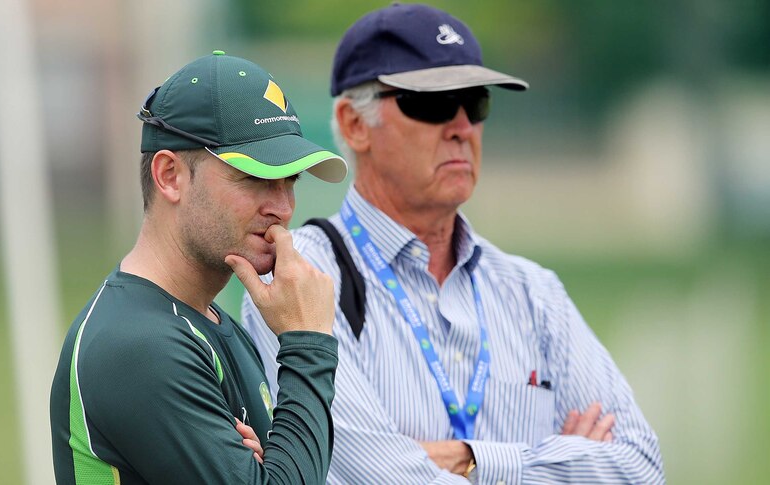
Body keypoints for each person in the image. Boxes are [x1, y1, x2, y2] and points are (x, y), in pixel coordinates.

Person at [241, 4, 664, 484]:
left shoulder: (533, 292)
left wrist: (464, 458)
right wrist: (558, 458)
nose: (462, 126)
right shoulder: (299, 278)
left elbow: (640, 468)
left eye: (476, 101)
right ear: (355, 125)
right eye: (434, 102)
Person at [50, 51, 349, 484]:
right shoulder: (136, 345)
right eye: (257, 179)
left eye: (291, 181)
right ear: (170, 175)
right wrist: (309, 343)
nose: (283, 208)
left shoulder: (212, 323)